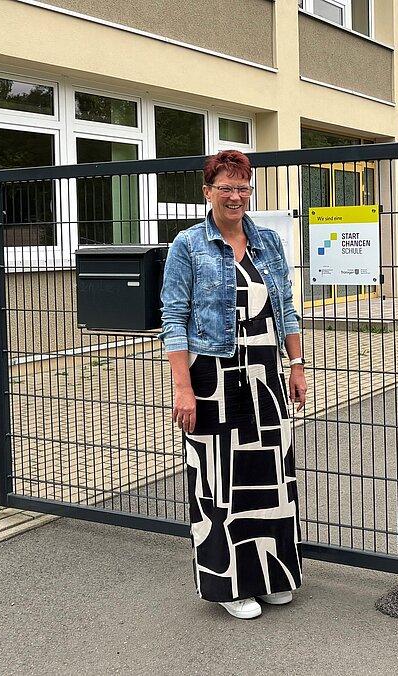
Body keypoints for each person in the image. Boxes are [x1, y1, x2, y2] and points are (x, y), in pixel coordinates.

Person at [160, 149, 308, 620]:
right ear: (207, 192)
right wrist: (183, 388)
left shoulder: (266, 241)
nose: (236, 196)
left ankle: (273, 575)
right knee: (217, 480)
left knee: (271, 475)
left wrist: (297, 364)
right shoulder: (188, 244)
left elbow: (285, 306)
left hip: (265, 374)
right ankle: (229, 585)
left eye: (243, 187)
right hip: (212, 374)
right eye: (226, 187)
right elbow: (173, 319)